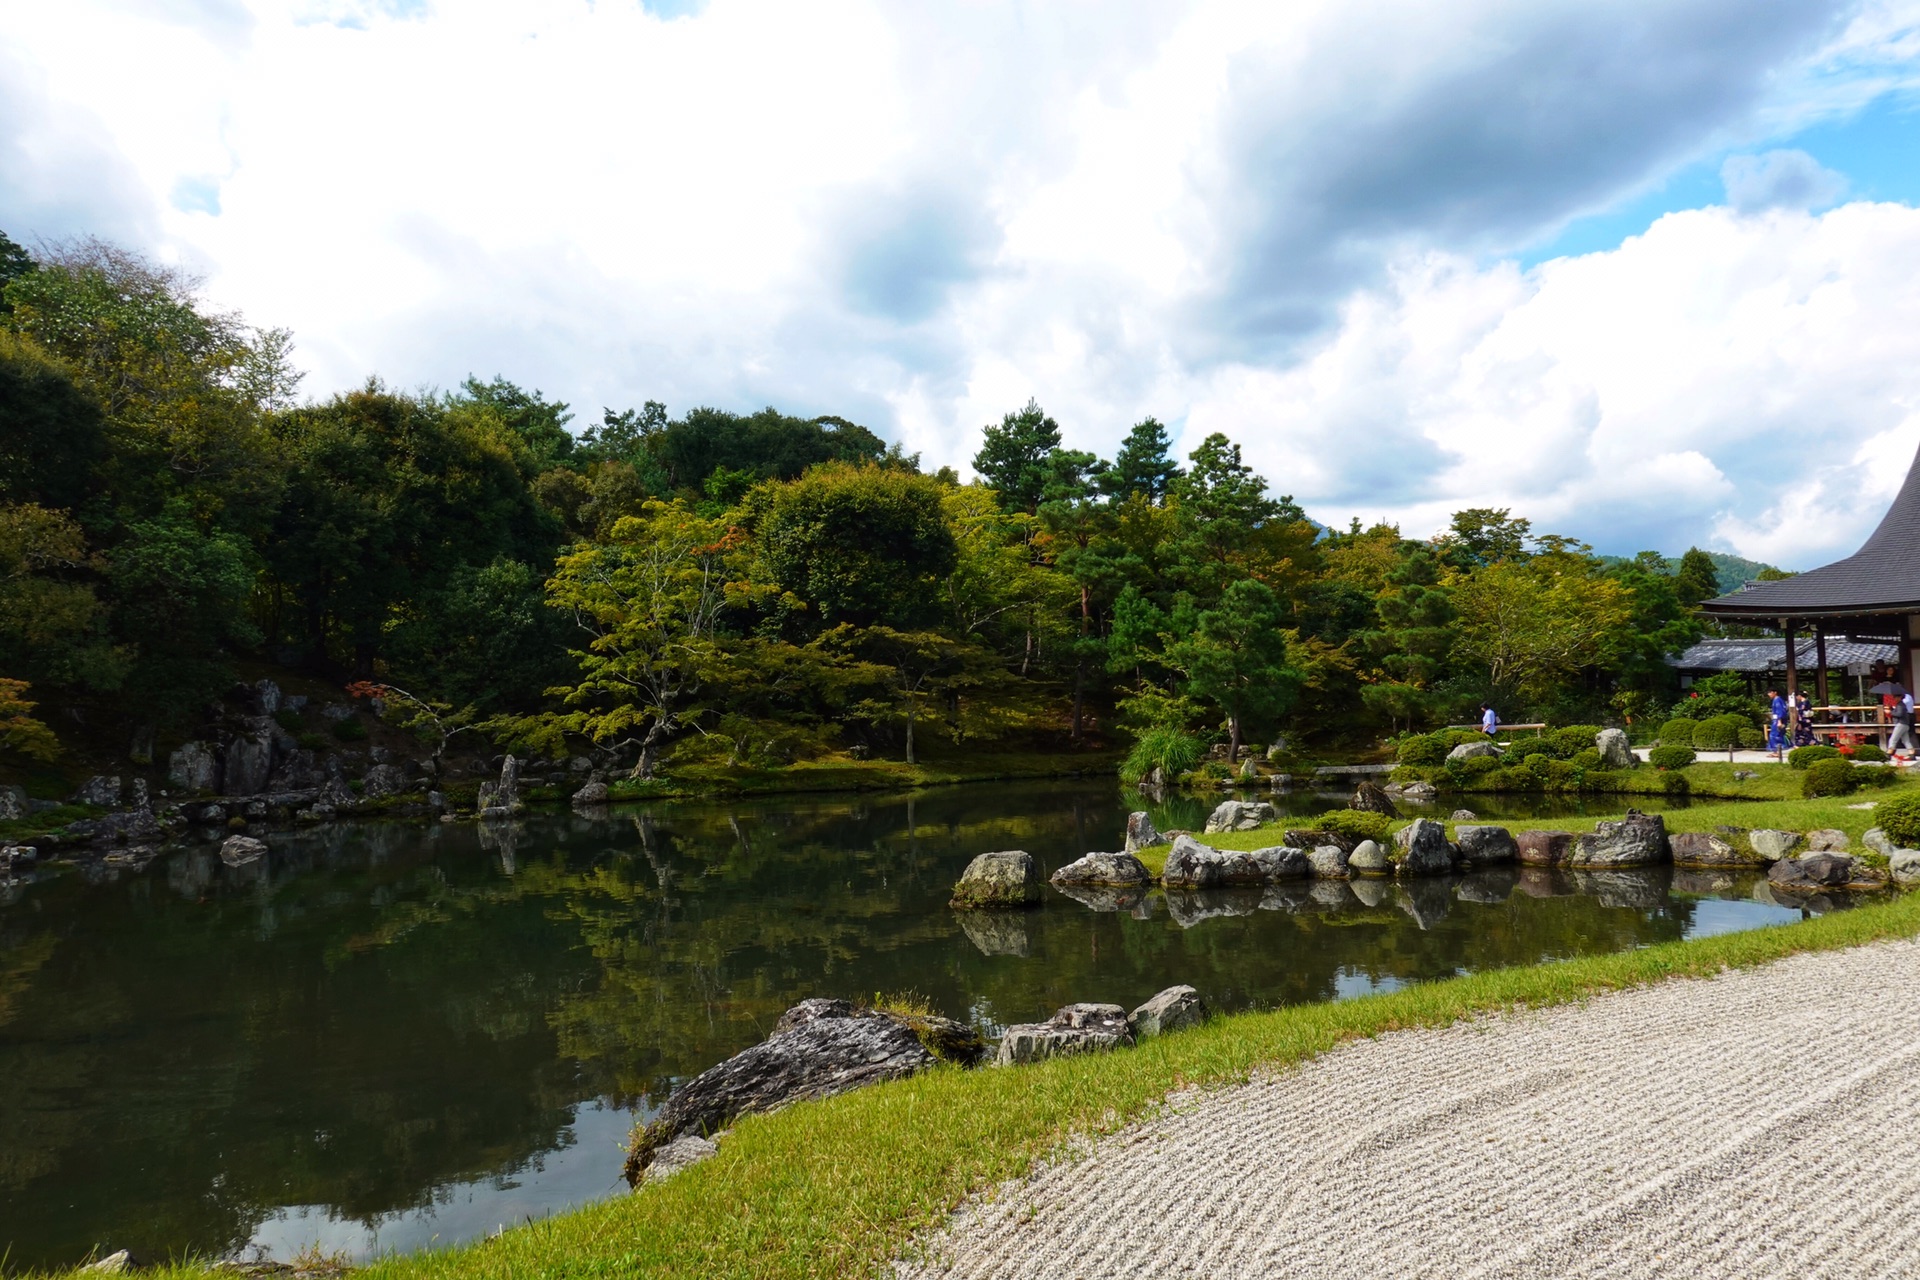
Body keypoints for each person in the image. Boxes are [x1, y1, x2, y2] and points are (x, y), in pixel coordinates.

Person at [1892, 687, 1917, 761]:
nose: (1894, 699)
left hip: (1901, 723)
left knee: (1893, 739)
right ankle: (1912, 753)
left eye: (1895, 697)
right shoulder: (1901, 704)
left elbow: (1899, 714)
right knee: (1905, 740)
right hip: (1905, 722)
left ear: (1899, 697)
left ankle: (1889, 752)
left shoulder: (1901, 704)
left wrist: (1890, 712)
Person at [1767, 688, 1788, 757]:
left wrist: (1779, 721)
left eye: (1770, 692)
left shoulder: (1778, 700)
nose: (1769, 694)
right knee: (1774, 735)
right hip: (1776, 720)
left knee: (1775, 735)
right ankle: (1775, 751)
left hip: (1778, 720)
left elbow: (1780, 711)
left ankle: (1777, 752)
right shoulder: (1776, 700)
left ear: (1775, 692)